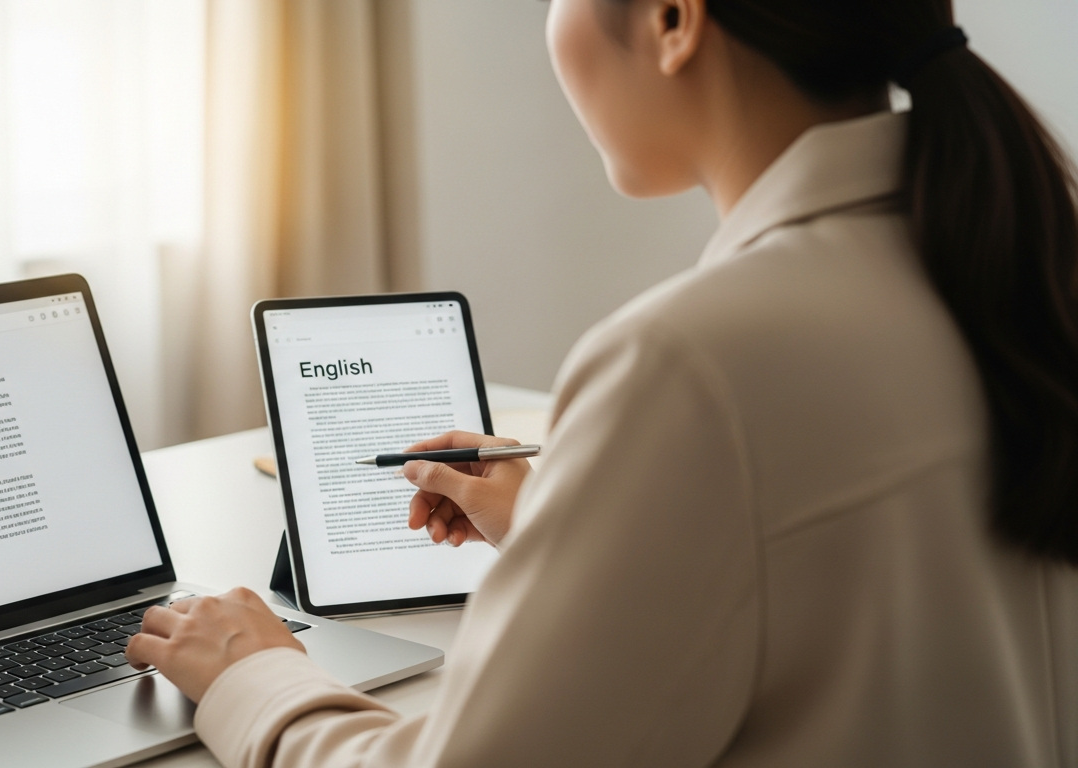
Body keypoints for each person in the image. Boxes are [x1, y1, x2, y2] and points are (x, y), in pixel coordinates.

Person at [126, 0, 1078, 765]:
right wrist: (580, 522)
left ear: (674, 20)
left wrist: (257, 678)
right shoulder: (1012, 263)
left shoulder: (694, 362)